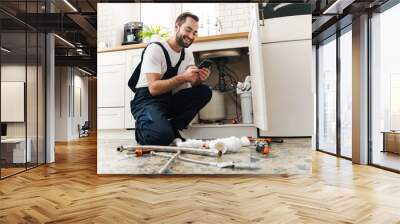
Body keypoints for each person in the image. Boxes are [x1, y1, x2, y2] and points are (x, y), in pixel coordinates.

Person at [131, 12, 212, 146]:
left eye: (195, 33)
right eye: (188, 30)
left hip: (168, 100)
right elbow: (153, 89)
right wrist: (182, 78)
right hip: (147, 101)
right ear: (177, 26)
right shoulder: (155, 49)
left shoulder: (187, 54)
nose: (191, 36)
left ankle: (172, 128)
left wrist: (199, 78)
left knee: (204, 91)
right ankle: (143, 127)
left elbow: (194, 82)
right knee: (161, 138)